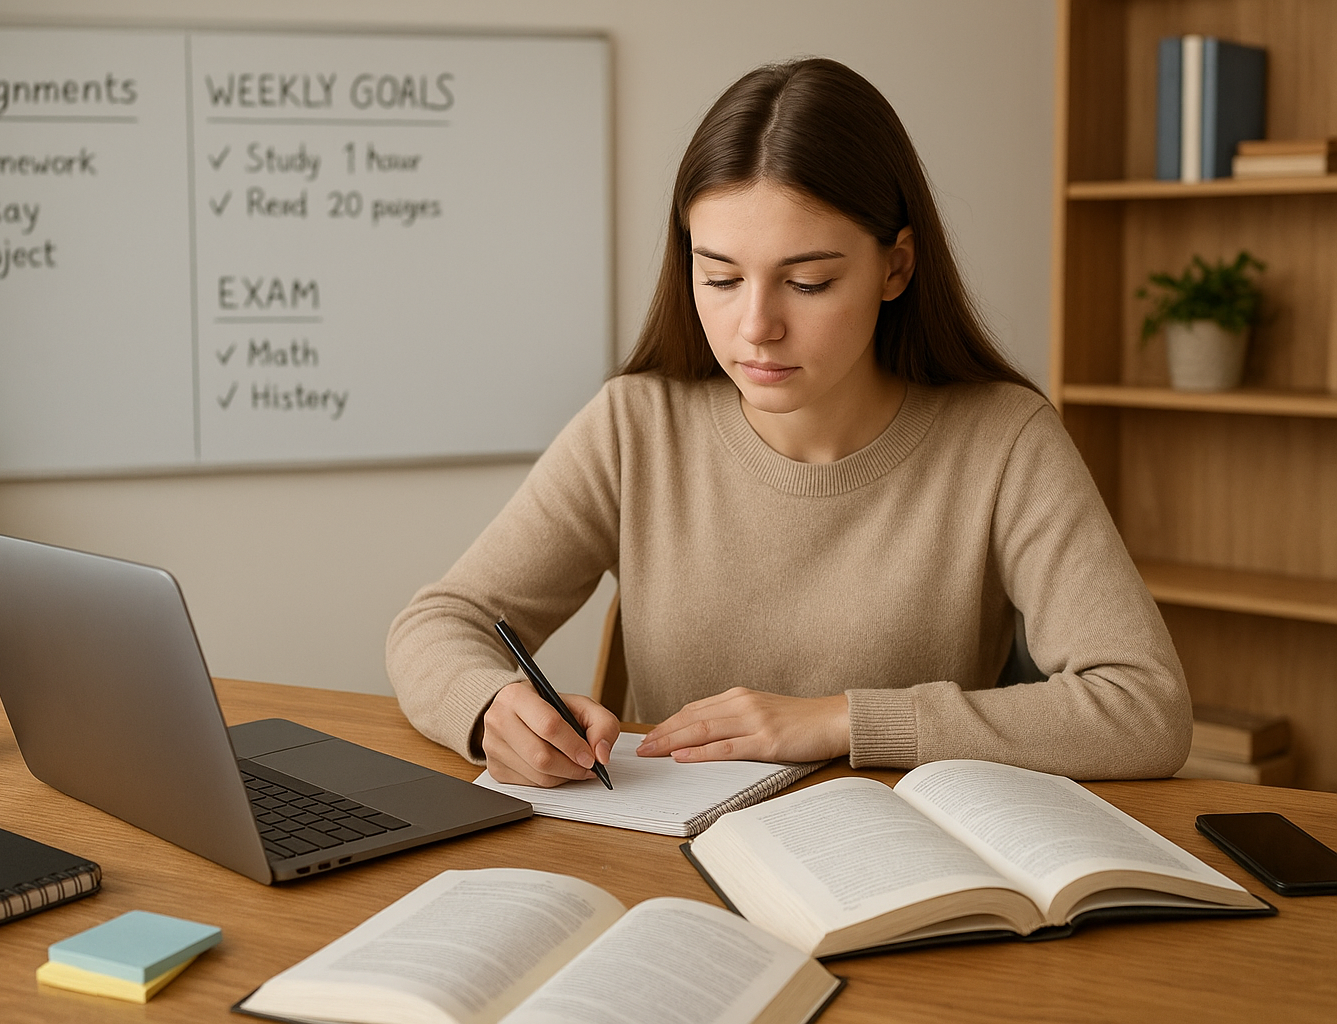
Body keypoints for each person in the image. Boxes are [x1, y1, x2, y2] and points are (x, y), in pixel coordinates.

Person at [386, 58, 1190, 788]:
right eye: (722, 277)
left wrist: (838, 719)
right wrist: (491, 704)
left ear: (896, 267)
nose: (755, 326)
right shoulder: (637, 426)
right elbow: (439, 622)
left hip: (900, 877)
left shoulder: (1004, 440)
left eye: (806, 283)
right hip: (668, 868)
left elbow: (1145, 708)